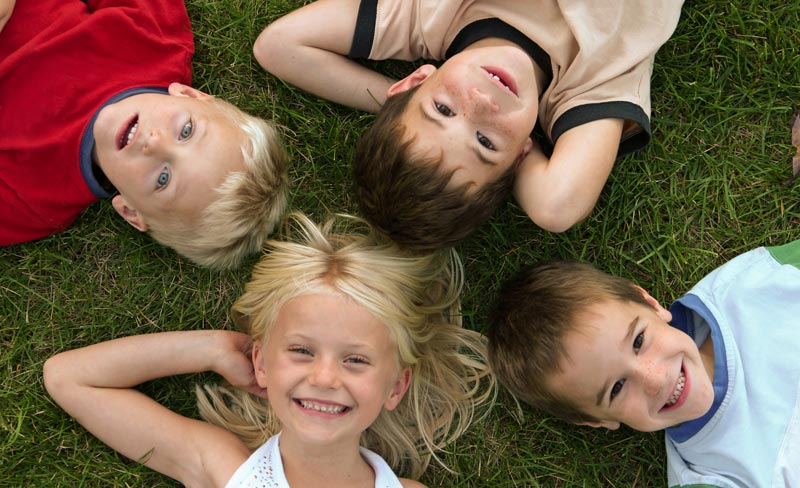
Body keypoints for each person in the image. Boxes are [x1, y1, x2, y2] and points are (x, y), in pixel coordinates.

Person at [44, 212, 496, 487]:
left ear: (396, 386)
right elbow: (70, 378)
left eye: (355, 359)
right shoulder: (225, 470)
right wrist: (213, 348)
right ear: (261, 363)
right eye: (301, 351)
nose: (324, 377)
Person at [253, 0, 683, 251]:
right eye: (484, 142)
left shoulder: (431, 16)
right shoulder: (590, 83)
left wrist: (393, 94)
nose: (479, 103)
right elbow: (556, 207)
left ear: (417, 80)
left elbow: (278, 46)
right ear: (521, 157)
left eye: (441, 109)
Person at [0, 0, 288, 269]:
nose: (155, 142)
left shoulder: (36, 201)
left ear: (131, 211)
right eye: (186, 131)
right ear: (191, 95)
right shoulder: (154, 39)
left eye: (163, 179)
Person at [487, 240, 800, 487]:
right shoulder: (709, 476)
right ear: (596, 420)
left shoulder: (755, 285)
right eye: (617, 388)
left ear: (649, 302)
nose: (655, 379)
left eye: (638, 341)